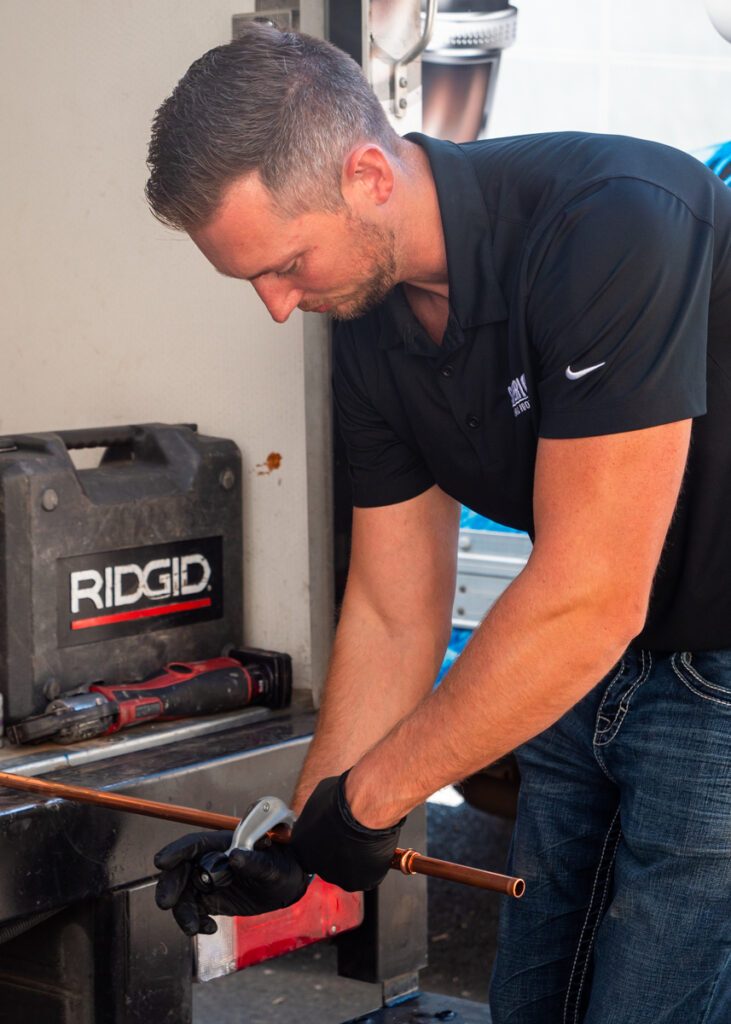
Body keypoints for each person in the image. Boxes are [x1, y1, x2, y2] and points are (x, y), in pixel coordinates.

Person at [146, 23, 731, 1024]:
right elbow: (389, 605)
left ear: (369, 174)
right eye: (251, 280)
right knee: (533, 1000)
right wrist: (295, 837)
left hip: (709, 672)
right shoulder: (367, 325)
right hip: (578, 671)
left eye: (285, 263)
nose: (279, 308)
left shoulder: (613, 222)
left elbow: (589, 594)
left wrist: (369, 802)